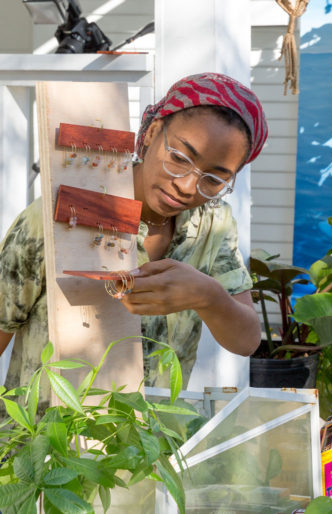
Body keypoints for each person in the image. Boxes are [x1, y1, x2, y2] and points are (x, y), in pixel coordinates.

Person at [0, 72, 268, 397]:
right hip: (48, 440)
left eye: (213, 179)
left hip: (148, 443)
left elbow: (246, 340)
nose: (186, 187)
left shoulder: (212, 224)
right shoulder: (60, 215)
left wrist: (208, 296)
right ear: (153, 132)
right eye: (180, 158)